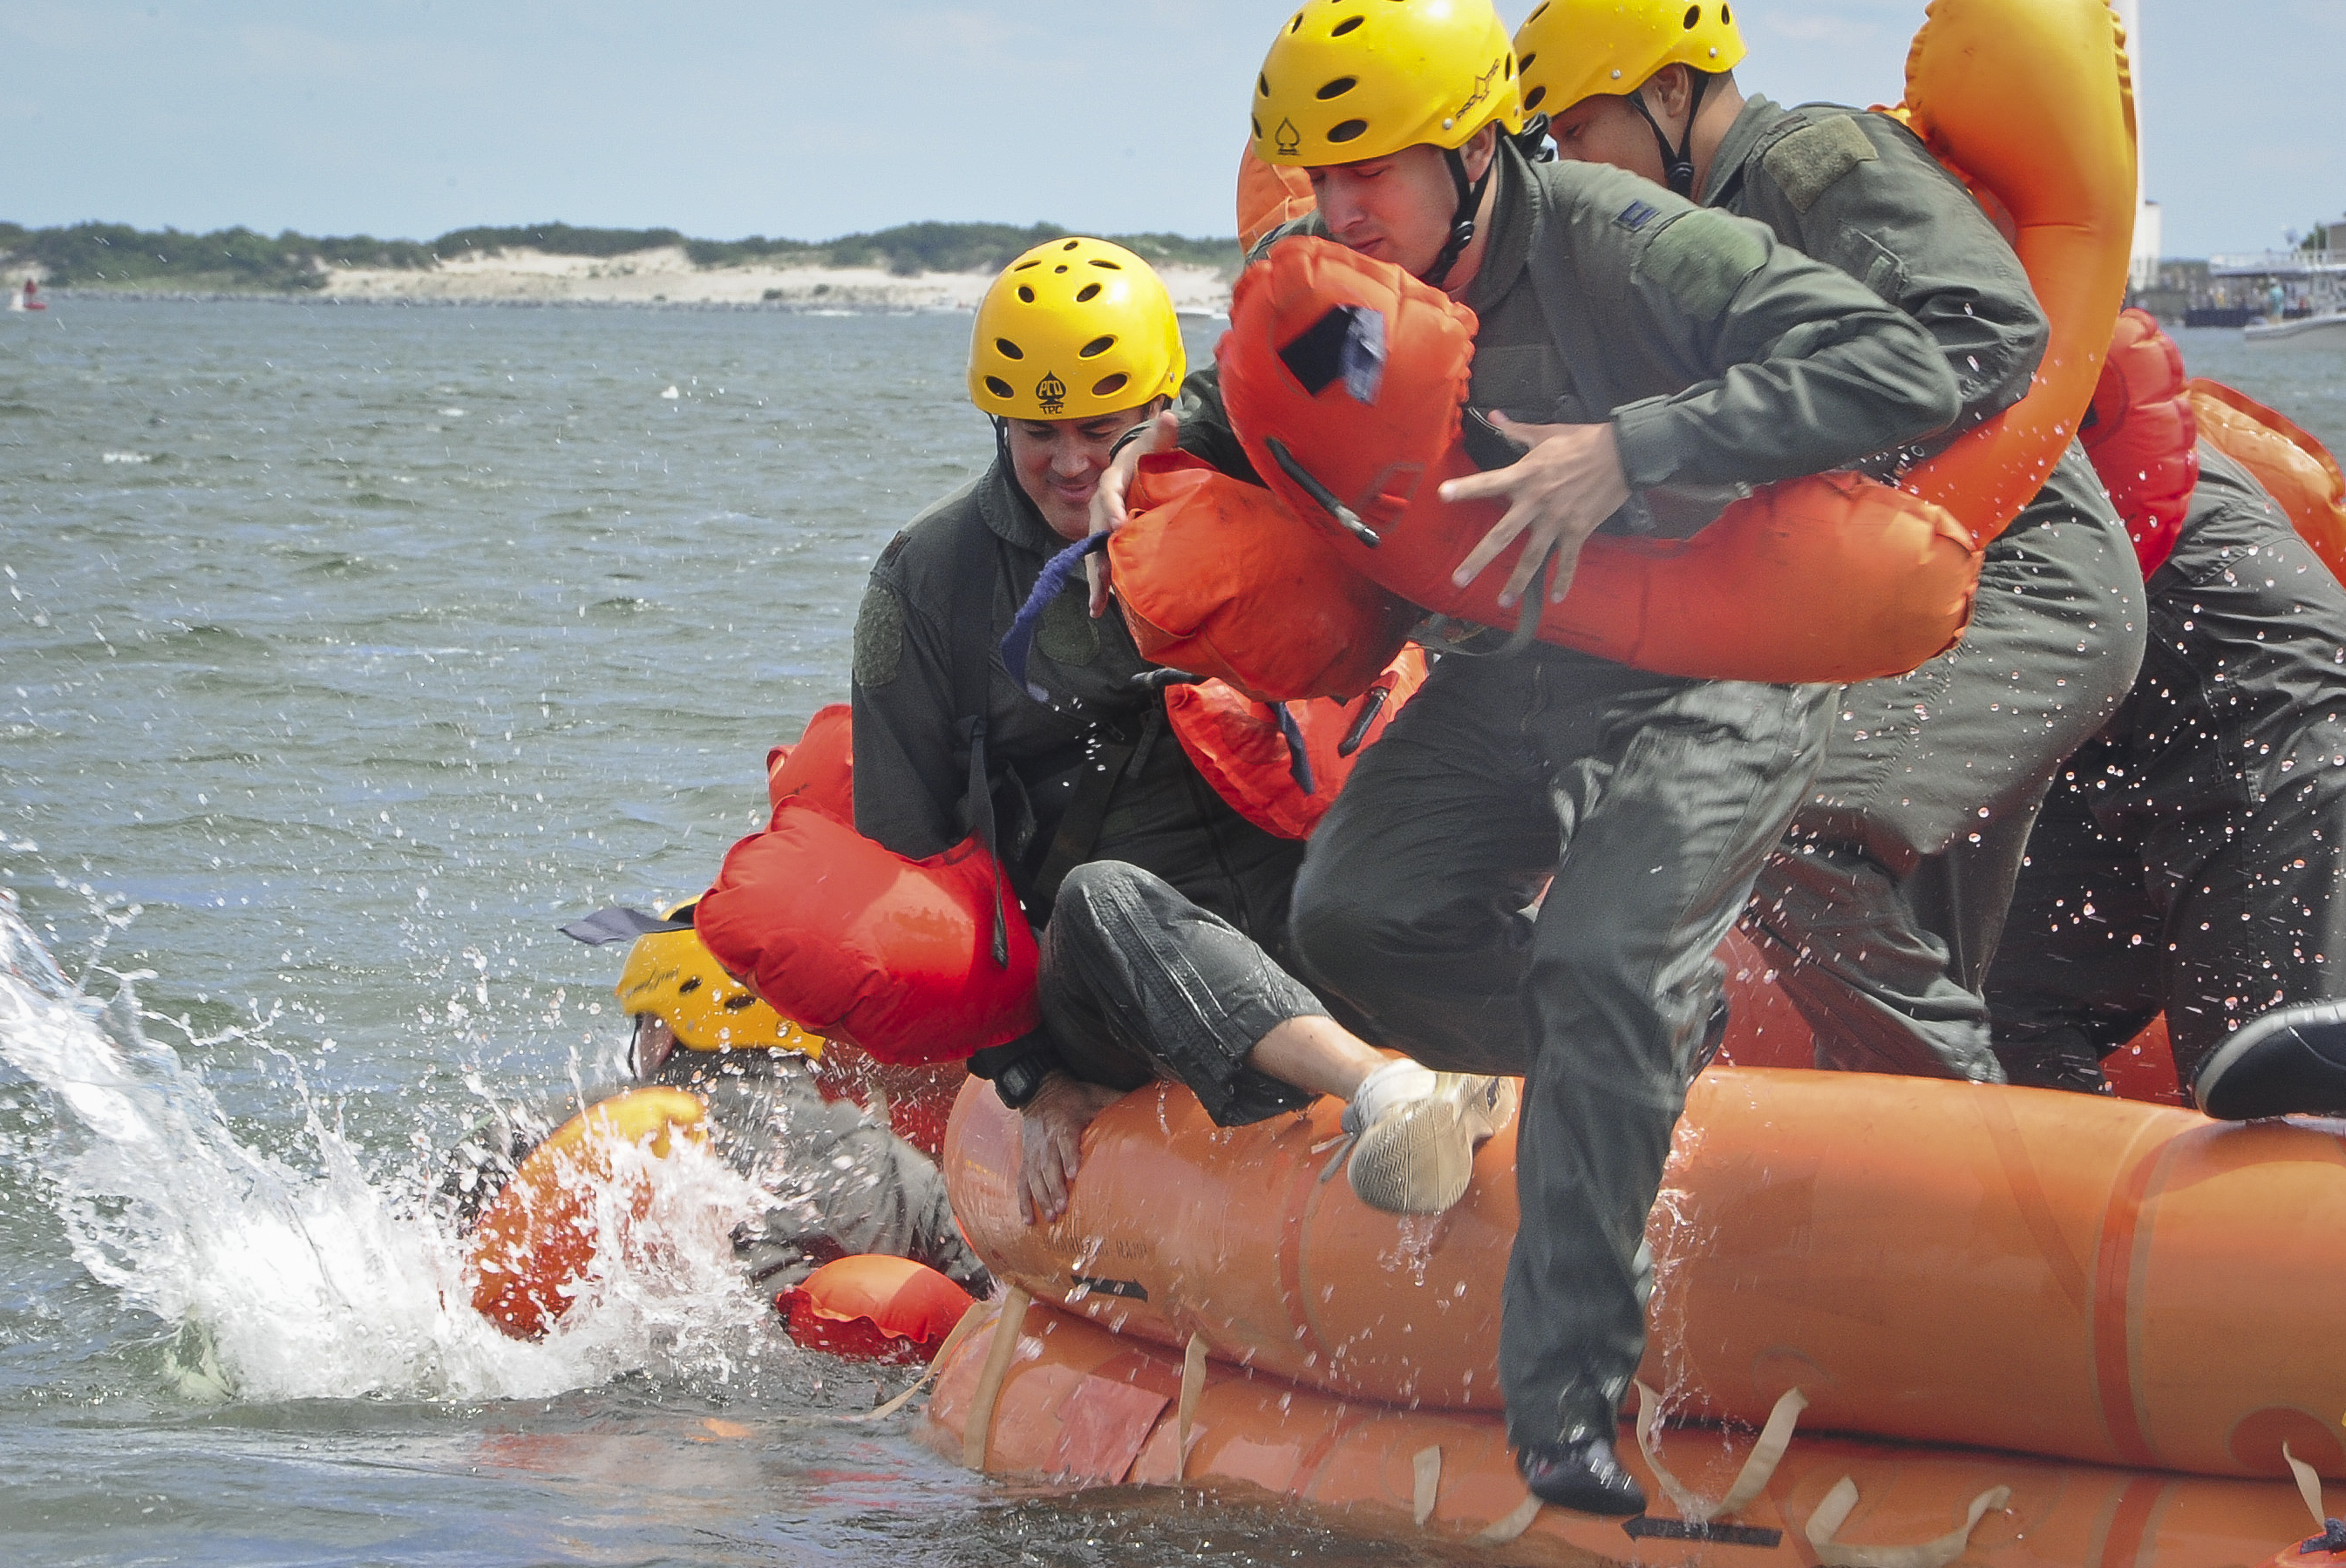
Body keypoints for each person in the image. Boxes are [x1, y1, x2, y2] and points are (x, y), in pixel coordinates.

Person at [1093, 0, 1962, 1516]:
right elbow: (1264, 407)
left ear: (1475, 150)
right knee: (1356, 911)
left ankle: (1567, 1414)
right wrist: (1151, 463)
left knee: (1599, 955)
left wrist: (1634, 447)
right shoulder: (1340, 280)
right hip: (1524, 665)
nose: (1338, 206)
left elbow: (1897, 365)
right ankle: (1626, 1060)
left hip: (1721, 660)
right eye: (1317, 173)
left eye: (1370, 170)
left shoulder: (1626, 238)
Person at [1516, 0, 2146, 1084]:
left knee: (1779, 825)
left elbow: (1987, 328)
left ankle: (1964, 1153)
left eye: (1577, 133)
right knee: (1912, 940)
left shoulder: (1808, 159)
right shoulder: (1672, 249)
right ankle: (1937, 1205)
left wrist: (1723, 447)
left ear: (1669, 92)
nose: (1572, 167)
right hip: (1897, 613)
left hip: (2020, 583)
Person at [848, 237, 1515, 1229]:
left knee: (1383, 869)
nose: (1074, 462)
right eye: (1042, 430)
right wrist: (1027, 1078)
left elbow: (1353, 373)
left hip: (1284, 908)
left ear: (1163, 410)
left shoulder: (1257, 491)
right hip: (1105, 974)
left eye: (1104, 428)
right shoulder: (929, 582)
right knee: (1101, 896)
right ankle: (1389, 1094)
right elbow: (910, 870)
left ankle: (1524, 1051)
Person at [1989, 442, 2346, 1117]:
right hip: (2079, 694)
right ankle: (2031, 1211)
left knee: (2272, 1065)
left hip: (2239, 661)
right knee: (1977, 1007)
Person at [445, 904, 993, 1296]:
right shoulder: (895, 1168)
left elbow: (460, 1185)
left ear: (661, 1034)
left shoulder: (587, 1124)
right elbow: (985, 1291)